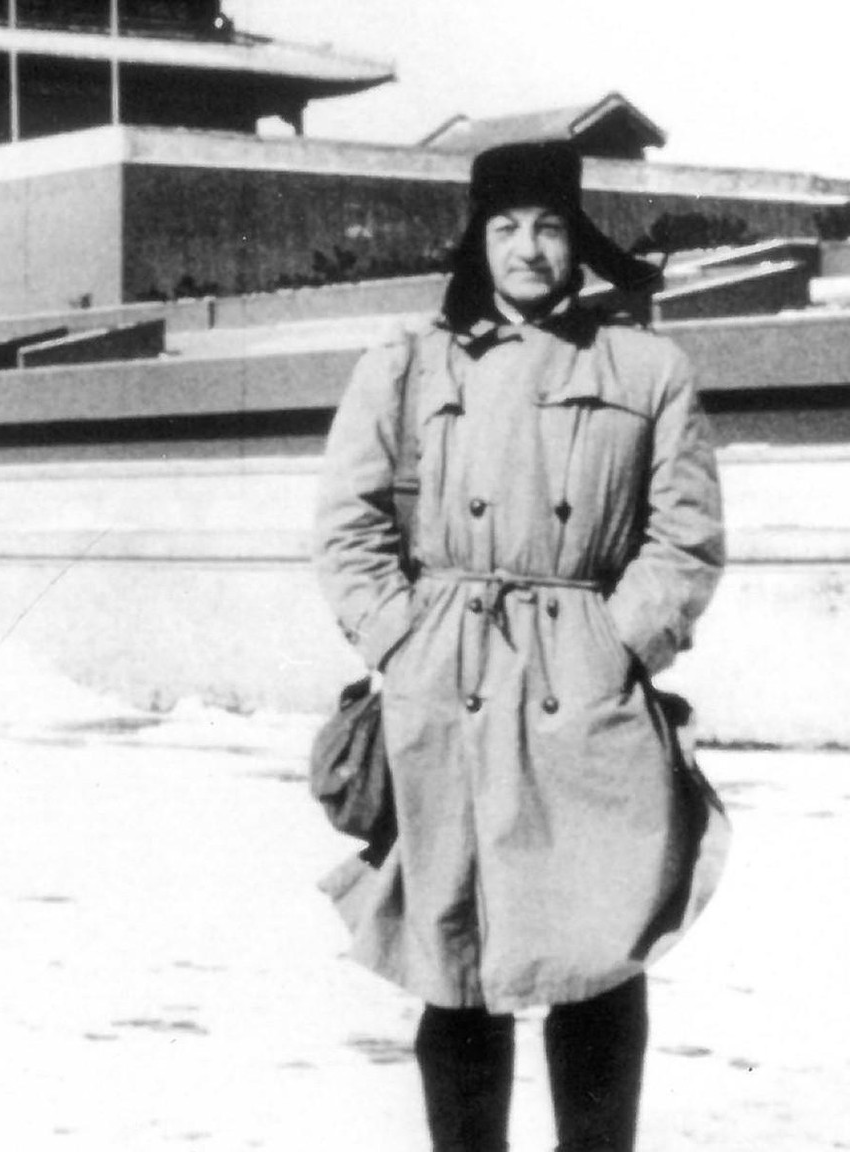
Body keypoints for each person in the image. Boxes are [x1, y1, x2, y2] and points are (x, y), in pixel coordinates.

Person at [311, 141, 727, 1152]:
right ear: (478, 237)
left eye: (548, 226)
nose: (528, 249)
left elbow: (688, 537)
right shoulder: (407, 361)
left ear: (575, 238)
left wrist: (615, 644)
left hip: (586, 695)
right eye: (505, 227)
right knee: (454, 961)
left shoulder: (649, 366)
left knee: (597, 955)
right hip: (445, 685)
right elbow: (348, 524)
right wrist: (400, 638)